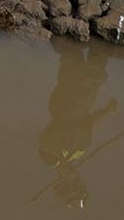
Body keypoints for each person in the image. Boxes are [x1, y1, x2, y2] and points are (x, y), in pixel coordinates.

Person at [36, 39, 116, 209]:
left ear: (60, 181)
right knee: (96, 69)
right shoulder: (79, 152)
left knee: (72, 60)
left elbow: (46, 136)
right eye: (76, 179)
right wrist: (106, 112)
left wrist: (60, 160)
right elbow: (89, 124)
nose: (73, 176)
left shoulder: (50, 157)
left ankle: (66, 33)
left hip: (64, 104)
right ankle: (102, 39)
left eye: (70, 181)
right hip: (85, 100)